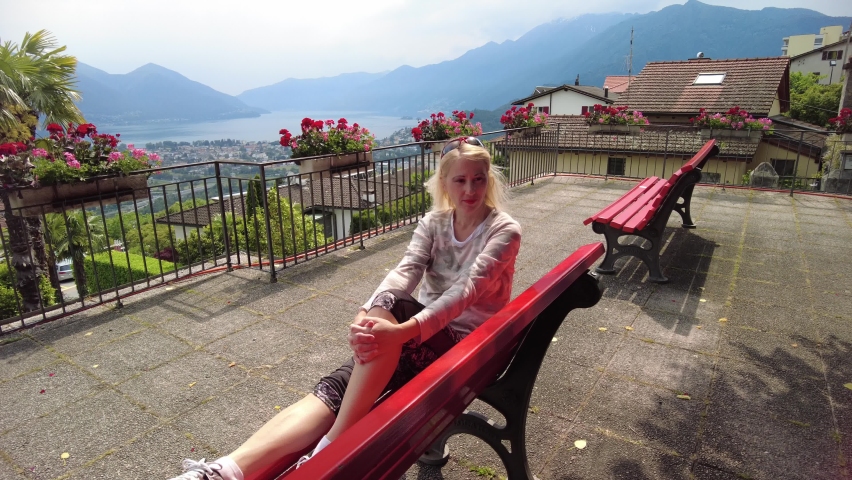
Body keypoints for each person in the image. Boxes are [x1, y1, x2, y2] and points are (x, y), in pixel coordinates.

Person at [170, 137, 522, 480]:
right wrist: (364, 316)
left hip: (465, 349)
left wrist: (400, 330)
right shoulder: (434, 223)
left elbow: (465, 292)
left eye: (478, 179)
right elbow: (405, 270)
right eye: (460, 180)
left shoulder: (503, 230)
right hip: (418, 340)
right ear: (444, 182)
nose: (470, 190)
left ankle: (334, 446)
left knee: (390, 314)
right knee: (338, 385)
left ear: (488, 179)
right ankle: (222, 470)